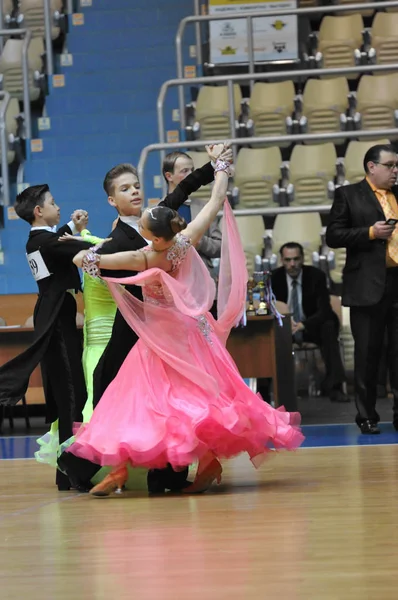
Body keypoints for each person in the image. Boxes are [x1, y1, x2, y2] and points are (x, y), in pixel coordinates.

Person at [66, 146, 304, 497]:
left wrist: (83, 254)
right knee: (196, 398)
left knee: (136, 400)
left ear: (153, 235)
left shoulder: (147, 257)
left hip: (161, 339)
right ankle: (202, 464)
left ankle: (123, 468)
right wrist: (221, 167)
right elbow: (214, 201)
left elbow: (92, 262)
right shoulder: (183, 239)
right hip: (190, 333)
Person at [58, 152, 229, 494]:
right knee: (114, 393)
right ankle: (87, 466)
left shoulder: (153, 226)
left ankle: (161, 473)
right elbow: (211, 204)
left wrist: (212, 167)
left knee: (167, 402)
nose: (135, 192)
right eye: (126, 189)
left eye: (137, 185)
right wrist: (221, 171)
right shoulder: (128, 237)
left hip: (161, 331)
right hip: (134, 330)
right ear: (112, 200)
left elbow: (186, 188)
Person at [0, 185, 92, 490]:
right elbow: (77, 248)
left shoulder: (37, 241)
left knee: (63, 394)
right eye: (53, 203)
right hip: (55, 320)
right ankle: (72, 466)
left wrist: (72, 227)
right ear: (39, 211)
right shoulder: (47, 241)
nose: (58, 206)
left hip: (52, 314)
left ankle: (66, 470)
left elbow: (57, 243)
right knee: (71, 394)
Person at [326, 143, 398, 434]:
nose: (395, 170)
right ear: (372, 166)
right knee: (367, 354)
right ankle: (367, 416)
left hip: (397, 281)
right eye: (390, 165)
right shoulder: (349, 194)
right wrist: (370, 232)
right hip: (367, 286)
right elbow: (334, 235)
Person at [271, 242, 349, 403]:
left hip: (311, 326)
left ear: (303, 259)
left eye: (296, 259)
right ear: (281, 260)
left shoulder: (316, 276)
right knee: (267, 335)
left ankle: (335, 387)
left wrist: (303, 325)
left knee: (328, 327)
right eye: (288, 260)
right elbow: (270, 307)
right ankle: (270, 390)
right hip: (285, 327)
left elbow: (324, 310)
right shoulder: (273, 278)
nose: (292, 264)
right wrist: (287, 324)